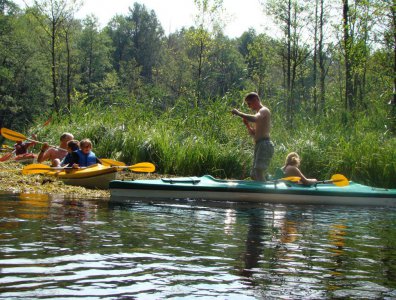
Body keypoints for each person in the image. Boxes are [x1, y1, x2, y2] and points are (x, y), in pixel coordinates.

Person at [232, 92, 274, 181]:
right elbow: (254, 134)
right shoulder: (260, 114)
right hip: (259, 144)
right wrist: (247, 125)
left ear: (255, 100)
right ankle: (264, 185)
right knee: (254, 174)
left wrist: (239, 113)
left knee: (258, 171)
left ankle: (263, 192)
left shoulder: (264, 110)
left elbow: (255, 118)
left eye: (249, 103)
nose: (248, 106)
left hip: (264, 144)